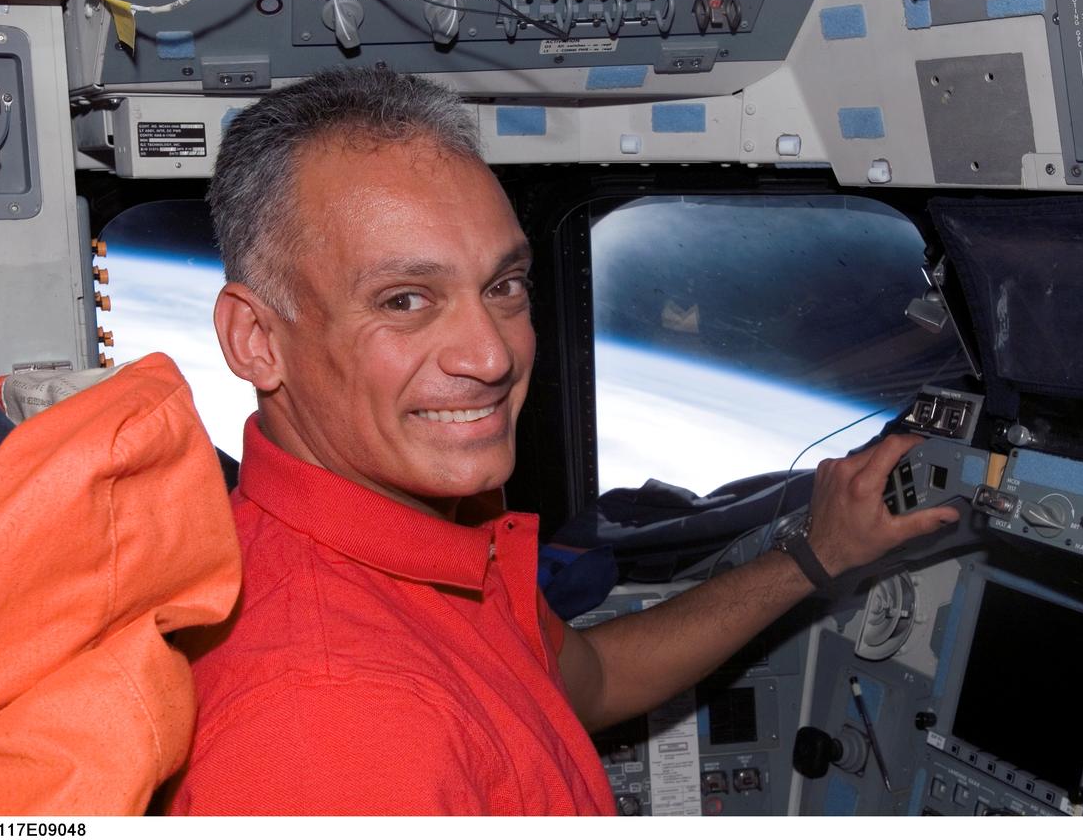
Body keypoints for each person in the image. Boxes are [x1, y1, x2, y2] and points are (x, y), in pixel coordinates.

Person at [166, 67, 959, 815]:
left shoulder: (414, 536)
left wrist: (813, 556)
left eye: (504, 285)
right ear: (256, 338)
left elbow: (589, 675)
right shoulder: (329, 727)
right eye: (405, 299)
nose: (492, 355)